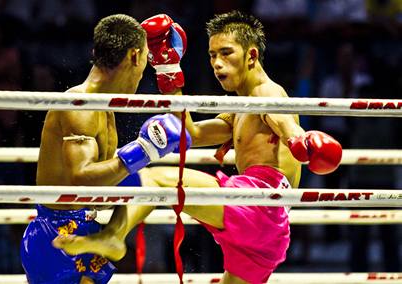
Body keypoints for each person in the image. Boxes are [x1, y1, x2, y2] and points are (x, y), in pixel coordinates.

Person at [53, 12, 342, 284]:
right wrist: (168, 70)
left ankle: (114, 236)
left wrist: (298, 139)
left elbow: (282, 121)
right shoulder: (241, 109)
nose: (217, 63)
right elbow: (188, 133)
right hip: (267, 227)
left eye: (226, 53)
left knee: (156, 178)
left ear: (251, 55)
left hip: (259, 203)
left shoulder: (266, 92)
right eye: (212, 55)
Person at [21, 14, 191, 284]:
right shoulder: (81, 107)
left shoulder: (103, 107)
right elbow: (81, 176)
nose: (144, 68)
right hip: (58, 235)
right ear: (135, 56)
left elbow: (104, 184)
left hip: (83, 227)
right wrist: (144, 150)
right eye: (147, 59)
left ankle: (112, 235)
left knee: (147, 180)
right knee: (148, 176)